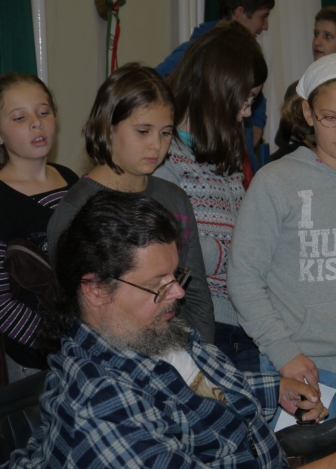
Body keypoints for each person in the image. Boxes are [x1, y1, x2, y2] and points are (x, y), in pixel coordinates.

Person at [0, 190, 336, 469]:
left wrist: (271, 389)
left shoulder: (146, 331)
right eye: (157, 285)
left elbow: (195, 388)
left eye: (175, 276)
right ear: (96, 290)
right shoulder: (96, 402)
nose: (176, 293)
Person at [228, 54, 336, 435]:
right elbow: (244, 277)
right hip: (294, 367)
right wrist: (283, 351)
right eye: (329, 117)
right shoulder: (275, 182)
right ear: (308, 113)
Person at [47, 63, 214, 347]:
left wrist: (203, 356)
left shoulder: (175, 198)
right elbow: (72, 312)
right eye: (143, 131)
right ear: (108, 128)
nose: (156, 145)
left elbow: (196, 292)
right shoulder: (75, 210)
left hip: (176, 348)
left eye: (165, 133)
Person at [153, 22, 264, 373]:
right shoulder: (164, 156)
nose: (247, 112)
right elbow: (176, 248)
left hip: (241, 320)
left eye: (252, 101)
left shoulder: (223, 149)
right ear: (217, 89)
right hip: (198, 323)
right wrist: (244, 255)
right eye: (244, 100)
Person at [155, 0, 275, 175]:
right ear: (240, 13)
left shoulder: (245, 56)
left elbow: (258, 98)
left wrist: (255, 128)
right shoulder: (198, 51)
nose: (265, 26)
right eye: (262, 17)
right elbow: (151, 88)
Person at [0, 72, 77, 383]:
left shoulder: (71, 180)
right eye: (19, 117)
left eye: (43, 112)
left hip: (88, 344)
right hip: (36, 360)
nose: (36, 123)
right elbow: (1, 303)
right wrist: (59, 343)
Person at [274, 6, 336, 150]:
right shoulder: (297, 90)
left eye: (328, 36)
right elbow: (285, 147)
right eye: (316, 34)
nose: (317, 42)